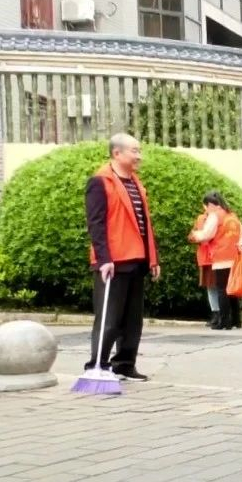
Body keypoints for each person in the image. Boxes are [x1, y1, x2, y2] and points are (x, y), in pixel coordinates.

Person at [84, 133, 160, 381]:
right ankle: (98, 365)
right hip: (113, 261)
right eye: (134, 151)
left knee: (132, 320)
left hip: (137, 260)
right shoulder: (100, 182)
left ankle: (124, 364)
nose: (139, 156)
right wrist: (104, 258)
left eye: (139, 151)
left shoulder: (136, 183)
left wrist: (152, 258)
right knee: (109, 318)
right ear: (117, 153)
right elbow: (96, 224)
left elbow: (144, 224)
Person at [189, 191, 242, 329]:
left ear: (211, 204)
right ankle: (236, 320)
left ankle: (224, 322)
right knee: (232, 289)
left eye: (206, 206)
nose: (206, 209)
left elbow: (207, 234)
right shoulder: (232, 216)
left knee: (222, 289)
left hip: (221, 257)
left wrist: (195, 235)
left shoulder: (215, 216)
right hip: (234, 257)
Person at [190, 208, 220, 328]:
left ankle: (222, 314)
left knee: (219, 287)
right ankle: (215, 314)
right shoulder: (200, 218)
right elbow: (192, 235)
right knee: (210, 287)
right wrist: (196, 237)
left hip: (216, 257)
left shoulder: (217, 218)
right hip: (204, 258)